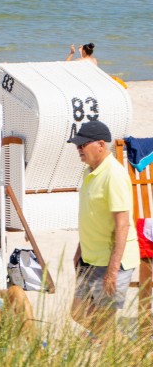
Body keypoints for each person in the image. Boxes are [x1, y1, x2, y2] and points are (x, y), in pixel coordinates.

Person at [69, 120, 138, 335]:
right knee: (77, 312)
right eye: (77, 145)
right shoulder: (89, 171)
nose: (78, 149)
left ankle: (108, 344)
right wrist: (80, 250)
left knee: (104, 321)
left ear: (100, 144)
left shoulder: (114, 175)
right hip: (89, 258)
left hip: (111, 261)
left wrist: (112, 271)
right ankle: (107, 339)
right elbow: (92, 216)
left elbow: (122, 224)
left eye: (83, 145)